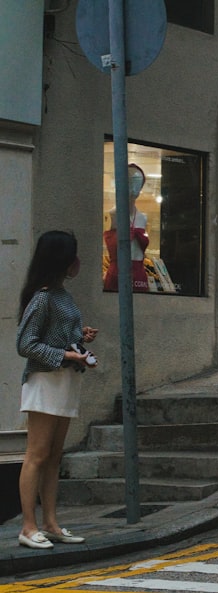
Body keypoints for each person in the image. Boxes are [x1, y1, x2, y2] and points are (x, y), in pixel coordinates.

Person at [16, 230, 98, 549]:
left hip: (64, 381)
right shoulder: (44, 296)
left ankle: (50, 523)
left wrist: (80, 338)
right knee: (36, 455)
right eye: (73, 256)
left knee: (53, 457)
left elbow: (56, 336)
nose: (78, 262)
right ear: (61, 260)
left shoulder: (62, 294)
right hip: (45, 381)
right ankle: (27, 527)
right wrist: (67, 354)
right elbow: (26, 344)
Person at [103, 163, 149, 292]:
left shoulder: (143, 218)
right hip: (118, 274)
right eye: (130, 182)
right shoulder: (112, 215)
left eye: (138, 183)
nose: (134, 188)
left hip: (139, 275)